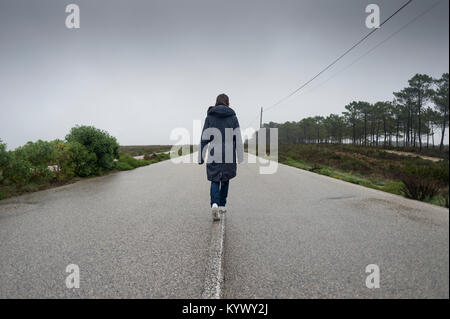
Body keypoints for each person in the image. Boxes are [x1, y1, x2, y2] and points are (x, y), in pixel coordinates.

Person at [199, 94, 244, 221]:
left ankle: (214, 203)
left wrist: (201, 157)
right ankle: (222, 205)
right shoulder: (233, 117)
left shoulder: (210, 117)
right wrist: (240, 156)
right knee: (226, 178)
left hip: (214, 152)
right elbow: (238, 138)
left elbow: (204, 138)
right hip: (229, 153)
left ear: (216, 102)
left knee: (214, 179)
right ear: (228, 103)